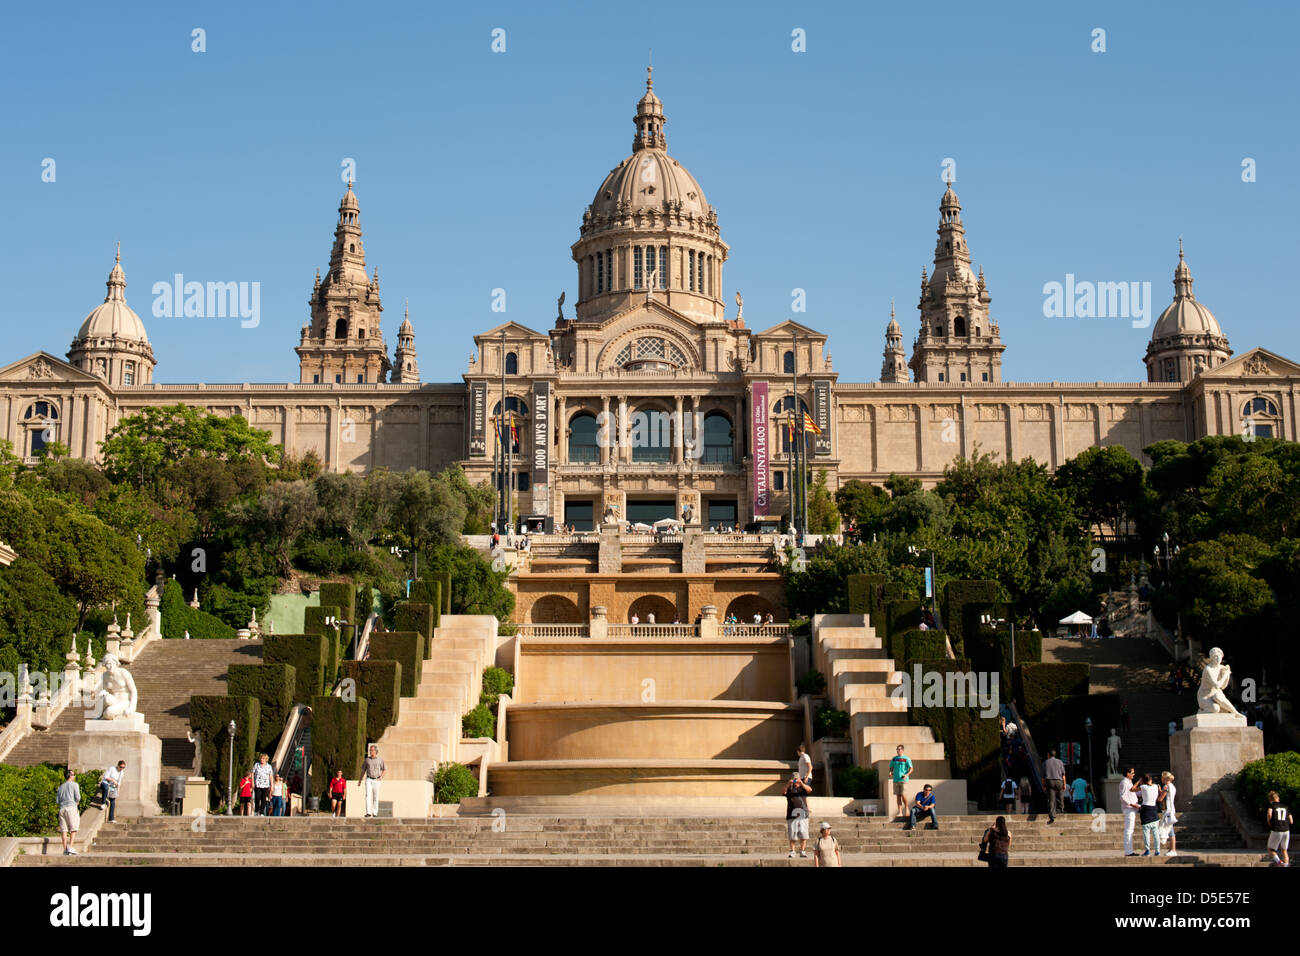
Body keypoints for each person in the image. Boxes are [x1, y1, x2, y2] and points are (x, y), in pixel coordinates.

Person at [784, 772, 812, 858]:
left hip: (803, 815)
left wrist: (802, 784)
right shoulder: (789, 789)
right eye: (794, 779)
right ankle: (792, 851)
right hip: (792, 815)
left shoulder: (803, 789)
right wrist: (788, 784)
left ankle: (802, 851)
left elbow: (810, 790)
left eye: (797, 779)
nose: (795, 781)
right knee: (792, 835)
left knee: (803, 834)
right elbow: (783, 791)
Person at [1265, 791, 1292, 867]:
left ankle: (1280, 863)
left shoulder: (1271, 805)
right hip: (1286, 830)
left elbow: (1269, 814)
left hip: (1276, 829)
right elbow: (1291, 820)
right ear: (1278, 798)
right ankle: (1286, 865)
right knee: (1284, 850)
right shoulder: (1285, 806)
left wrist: (1269, 821)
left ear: (1270, 799)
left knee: (1270, 849)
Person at [57, 769, 81, 856]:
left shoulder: (60, 787)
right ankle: (70, 846)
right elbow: (78, 797)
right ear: (70, 776)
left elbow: (57, 800)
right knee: (73, 828)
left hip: (62, 808)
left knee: (64, 830)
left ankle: (65, 849)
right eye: (73, 774)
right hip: (71, 807)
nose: (74, 776)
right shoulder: (75, 785)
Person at [1138, 773, 1162, 856]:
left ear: (1143, 781)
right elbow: (1159, 791)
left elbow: (1132, 789)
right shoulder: (1155, 786)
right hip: (1154, 809)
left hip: (1145, 810)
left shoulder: (1143, 787)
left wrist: (1139, 781)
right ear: (1151, 779)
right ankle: (1157, 851)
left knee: (1146, 833)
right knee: (1156, 833)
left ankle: (1147, 850)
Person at [360, 744, 386, 818]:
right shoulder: (367, 760)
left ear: (376, 751)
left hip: (377, 780)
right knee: (368, 795)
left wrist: (381, 777)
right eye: (370, 750)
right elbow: (363, 771)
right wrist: (360, 780)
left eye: (372, 750)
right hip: (368, 779)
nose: (370, 751)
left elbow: (384, 769)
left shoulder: (380, 760)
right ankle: (368, 812)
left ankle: (375, 813)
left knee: (375, 797)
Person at [1120, 767, 1140, 856]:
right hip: (1129, 808)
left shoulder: (1129, 782)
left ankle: (1129, 850)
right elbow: (1123, 796)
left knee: (1130, 829)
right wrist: (1132, 804)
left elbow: (1133, 793)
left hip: (1132, 808)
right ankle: (1128, 851)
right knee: (1129, 829)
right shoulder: (1124, 782)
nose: (1133, 774)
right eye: (1132, 773)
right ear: (1128, 773)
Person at [889, 745, 913, 820]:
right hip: (896, 779)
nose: (898, 750)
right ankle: (900, 812)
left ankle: (906, 809)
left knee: (903, 795)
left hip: (903, 780)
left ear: (902, 750)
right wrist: (890, 772)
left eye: (899, 749)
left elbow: (911, 768)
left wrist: (907, 775)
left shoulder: (907, 758)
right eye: (897, 749)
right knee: (898, 796)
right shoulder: (894, 759)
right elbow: (891, 767)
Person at [1042, 749, 1066, 823]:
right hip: (1059, 781)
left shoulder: (1045, 762)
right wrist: (1064, 784)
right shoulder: (1060, 762)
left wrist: (1043, 785)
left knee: (1051, 799)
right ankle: (1061, 808)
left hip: (1050, 781)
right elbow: (1063, 775)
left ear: (1048, 755)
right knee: (1060, 793)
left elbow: (1043, 776)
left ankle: (1052, 816)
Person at [1158, 771, 1178, 857]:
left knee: (1171, 831)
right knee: (1170, 830)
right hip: (1171, 809)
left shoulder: (1166, 786)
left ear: (1165, 778)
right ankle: (1171, 849)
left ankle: (1173, 849)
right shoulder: (1172, 786)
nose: (1161, 779)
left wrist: (1159, 792)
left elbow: (1160, 798)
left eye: (1162, 777)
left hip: (1168, 811)